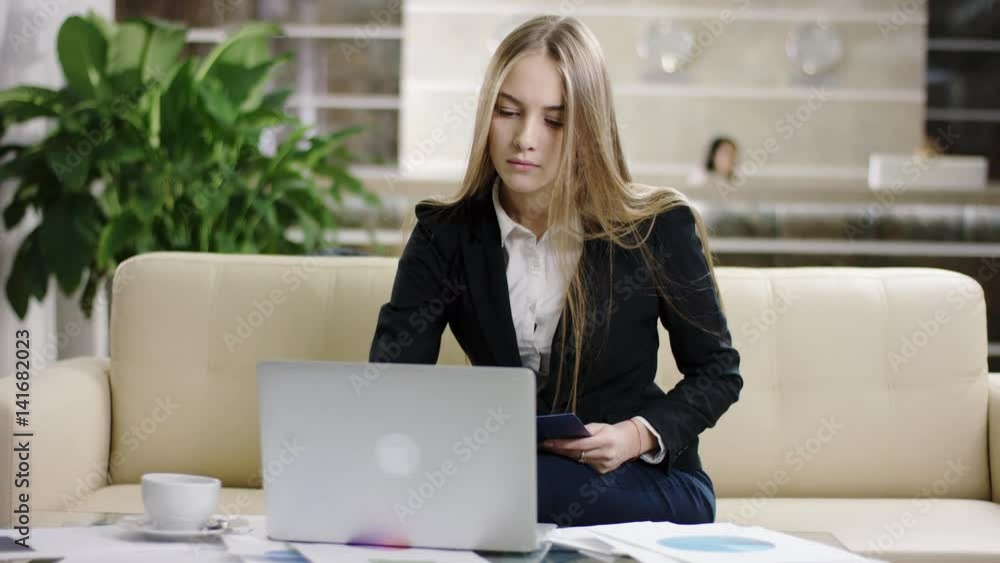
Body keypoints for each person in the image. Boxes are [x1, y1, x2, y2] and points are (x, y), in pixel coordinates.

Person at [368, 15, 742, 527]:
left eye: (554, 120)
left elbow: (718, 372)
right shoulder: (445, 235)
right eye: (508, 112)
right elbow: (393, 383)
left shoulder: (656, 229)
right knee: (483, 487)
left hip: (645, 480)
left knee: (509, 490)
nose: (525, 138)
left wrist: (634, 435)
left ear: (588, 129)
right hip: (508, 474)